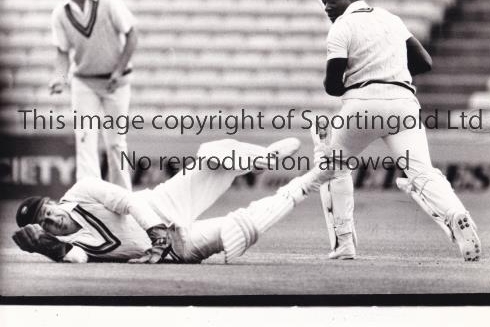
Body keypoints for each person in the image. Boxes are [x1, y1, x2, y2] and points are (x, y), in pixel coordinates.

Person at [311, 0, 481, 262]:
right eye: (323, 0)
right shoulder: (391, 19)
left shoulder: (341, 27)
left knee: (332, 166)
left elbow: (333, 87)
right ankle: (456, 214)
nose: (326, 6)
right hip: (404, 104)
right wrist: (389, 71)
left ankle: (344, 243)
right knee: (422, 172)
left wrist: (360, 74)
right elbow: (424, 62)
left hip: (362, 104)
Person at [12, 137, 334, 264]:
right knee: (239, 229)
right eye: (43, 223)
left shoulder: (82, 191)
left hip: (165, 203)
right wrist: (46, 247)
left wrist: (157, 237)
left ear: (53, 201)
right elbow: (77, 259)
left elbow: (129, 203)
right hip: (178, 249)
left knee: (210, 154)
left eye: (47, 211)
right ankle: (309, 183)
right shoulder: (66, 244)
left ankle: (261, 158)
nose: (51, 219)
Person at [50, 0, 138, 190]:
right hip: (84, 82)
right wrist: (59, 79)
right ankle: (88, 198)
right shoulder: (61, 13)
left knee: (115, 143)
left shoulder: (107, 0)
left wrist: (118, 70)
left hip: (115, 82)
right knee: (85, 139)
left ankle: (123, 197)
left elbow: (132, 34)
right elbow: (62, 52)